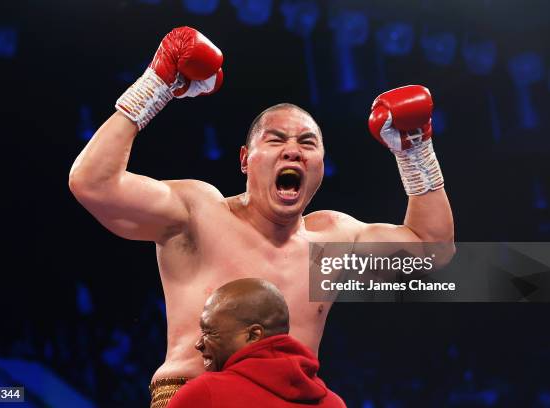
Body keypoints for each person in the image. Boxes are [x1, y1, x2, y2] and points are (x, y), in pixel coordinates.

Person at [68, 26, 454, 407]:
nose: (293, 151)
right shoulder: (198, 212)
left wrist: (415, 151)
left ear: (321, 166)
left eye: (307, 143)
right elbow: (93, 183)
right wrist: (157, 85)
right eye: (275, 139)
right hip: (200, 394)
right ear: (244, 160)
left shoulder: (332, 241)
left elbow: (433, 249)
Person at [166, 278, 346, 407]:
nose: (198, 344)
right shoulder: (333, 403)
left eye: (209, 332)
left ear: (253, 335)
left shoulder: (203, 394)